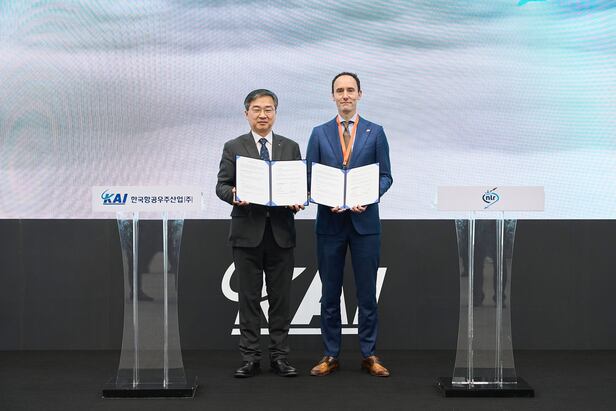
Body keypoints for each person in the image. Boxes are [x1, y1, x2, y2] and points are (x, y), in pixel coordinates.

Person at [306, 72, 393, 377]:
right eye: (340, 90)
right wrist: (321, 197)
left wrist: (369, 196)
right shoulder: (319, 133)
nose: (345, 95)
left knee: (367, 294)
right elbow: (309, 176)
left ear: (359, 94)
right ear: (332, 96)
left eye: (350, 90)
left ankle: (369, 355)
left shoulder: (375, 132)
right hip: (329, 224)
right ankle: (330, 354)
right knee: (330, 293)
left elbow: (386, 176)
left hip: (364, 225)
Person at [216, 89, 304, 378]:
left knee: (281, 300)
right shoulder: (233, 146)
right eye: (257, 109)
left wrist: (299, 198)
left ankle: (280, 357)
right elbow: (221, 185)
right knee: (249, 299)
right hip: (247, 233)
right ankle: (250, 358)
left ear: (275, 113)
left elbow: (299, 185)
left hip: (281, 234)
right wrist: (233, 194)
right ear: (247, 114)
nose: (263, 114)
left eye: (268, 109)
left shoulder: (290, 147)